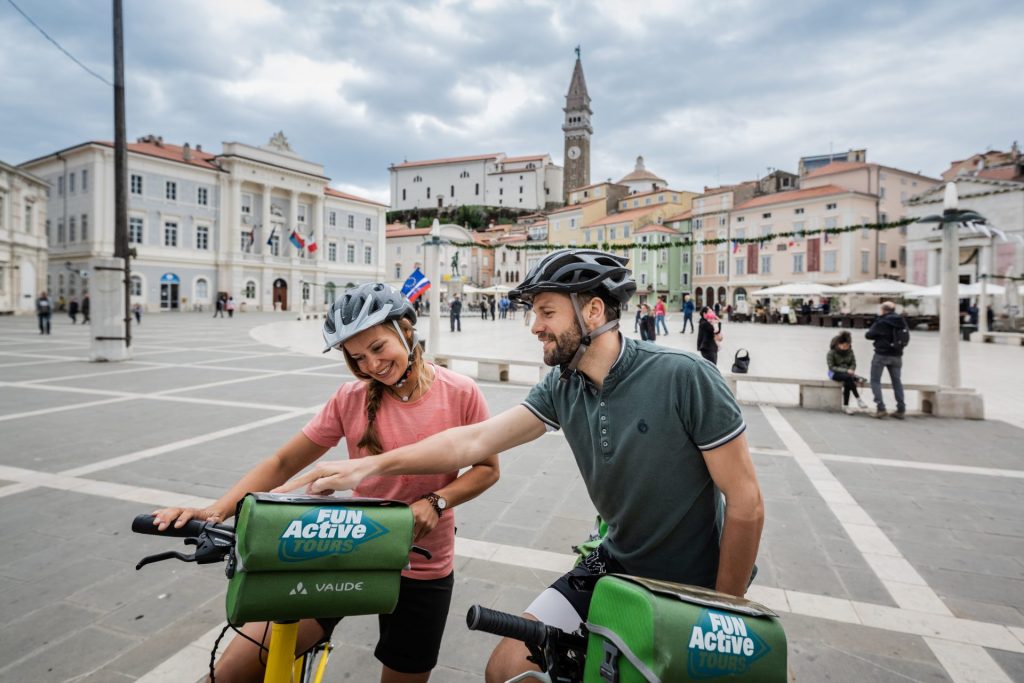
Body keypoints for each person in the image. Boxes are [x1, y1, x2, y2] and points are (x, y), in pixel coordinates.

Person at [274, 249, 763, 683]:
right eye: (534, 313)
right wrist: (365, 469)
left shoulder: (684, 376)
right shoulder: (561, 386)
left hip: (696, 579)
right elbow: (473, 441)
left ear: (594, 311)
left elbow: (746, 504)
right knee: (508, 667)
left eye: (547, 312)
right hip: (614, 562)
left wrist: (723, 613)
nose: (534, 326)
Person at [152, 283, 499, 683]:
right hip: (346, 548)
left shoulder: (460, 392)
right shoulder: (350, 398)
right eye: (357, 357)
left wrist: (437, 501)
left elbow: (487, 468)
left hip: (422, 561)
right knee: (231, 672)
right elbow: (284, 461)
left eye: (378, 347)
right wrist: (215, 511)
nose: (371, 365)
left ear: (406, 330)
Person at [865, 301, 909, 419]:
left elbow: (869, 335)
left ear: (883, 310)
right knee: (897, 382)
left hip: (881, 354)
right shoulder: (901, 321)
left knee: (875, 381)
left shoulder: (882, 321)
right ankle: (901, 409)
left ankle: (881, 409)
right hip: (897, 356)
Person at [827, 331, 868, 414]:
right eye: (844, 346)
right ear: (838, 344)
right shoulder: (831, 352)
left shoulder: (850, 352)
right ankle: (858, 399)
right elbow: (831, 367)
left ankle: (846, 407)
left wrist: (851, 369)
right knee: (849, 378)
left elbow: (853, 363)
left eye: (847, 346)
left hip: (847, 374)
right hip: (834, 373)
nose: (846, 348)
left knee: (848, 382)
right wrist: (846, 370)